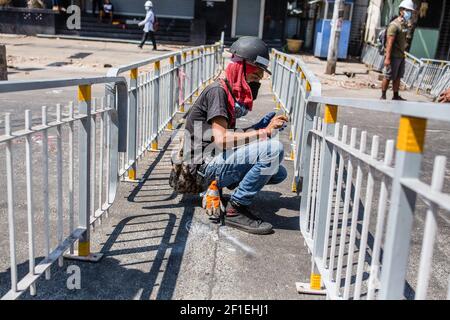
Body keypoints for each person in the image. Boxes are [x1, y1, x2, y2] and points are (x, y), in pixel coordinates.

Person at [184, 37, 288, 235]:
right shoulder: (218, 92)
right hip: (200, 168)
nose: (256, 83)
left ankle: (221, 187)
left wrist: (259, 127)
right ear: (242, 68)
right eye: (255, 77)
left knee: (277, 172)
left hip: (211, 158)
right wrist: (263, 132)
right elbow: (222, 140)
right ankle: (236, 208)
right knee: (274, 151)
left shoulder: (226, 91)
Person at [381, 0, 415, 101]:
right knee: (388, 76)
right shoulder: (394, 25)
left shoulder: (404, 24)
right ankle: (383, 96)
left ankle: (395, 96)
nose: (410, 13)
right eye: (408, 10)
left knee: (398, 77)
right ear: (401, 11)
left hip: (401, 55)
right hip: (393, 56)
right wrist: (387, 58)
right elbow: (389, 43)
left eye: (411, 11)